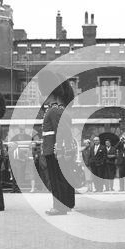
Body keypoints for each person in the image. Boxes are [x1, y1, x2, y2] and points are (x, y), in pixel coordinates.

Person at [38, 70, 76, 215]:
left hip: (53, 151)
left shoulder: (54, 111)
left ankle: (59, 207)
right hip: (52, 149)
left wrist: (60, 150)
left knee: (56, 180)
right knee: (57, 179)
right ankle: (63, 205)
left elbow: (61, 133)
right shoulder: (54, 110)